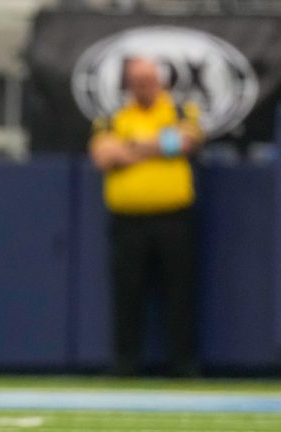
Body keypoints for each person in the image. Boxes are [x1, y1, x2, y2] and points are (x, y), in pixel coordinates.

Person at [89, 57, 204, 377]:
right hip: (128, 221)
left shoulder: (180, 111)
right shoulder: (113, 117)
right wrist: (159, 145)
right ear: (129, 84)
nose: (143, 87)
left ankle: (183, 364)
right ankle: (126, 364)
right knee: (128, 292)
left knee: (179, 292)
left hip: (174, 218)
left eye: (148, 80)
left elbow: (186, 141)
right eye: (137, 81)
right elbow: (102, 155)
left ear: (160, 82)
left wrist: (131, 148)